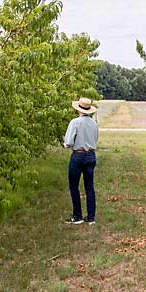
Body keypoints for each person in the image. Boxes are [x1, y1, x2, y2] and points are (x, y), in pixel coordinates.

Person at [63, 96, 99, 225]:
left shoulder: (75, 122)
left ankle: (77, 216)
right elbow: (95, 139)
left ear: (78, 109)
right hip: (91, 155)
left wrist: (70, 145)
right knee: (89, 187)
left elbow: (68, 142)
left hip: (78, 155)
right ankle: (91, 217)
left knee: (74, 186)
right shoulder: (94, 124)